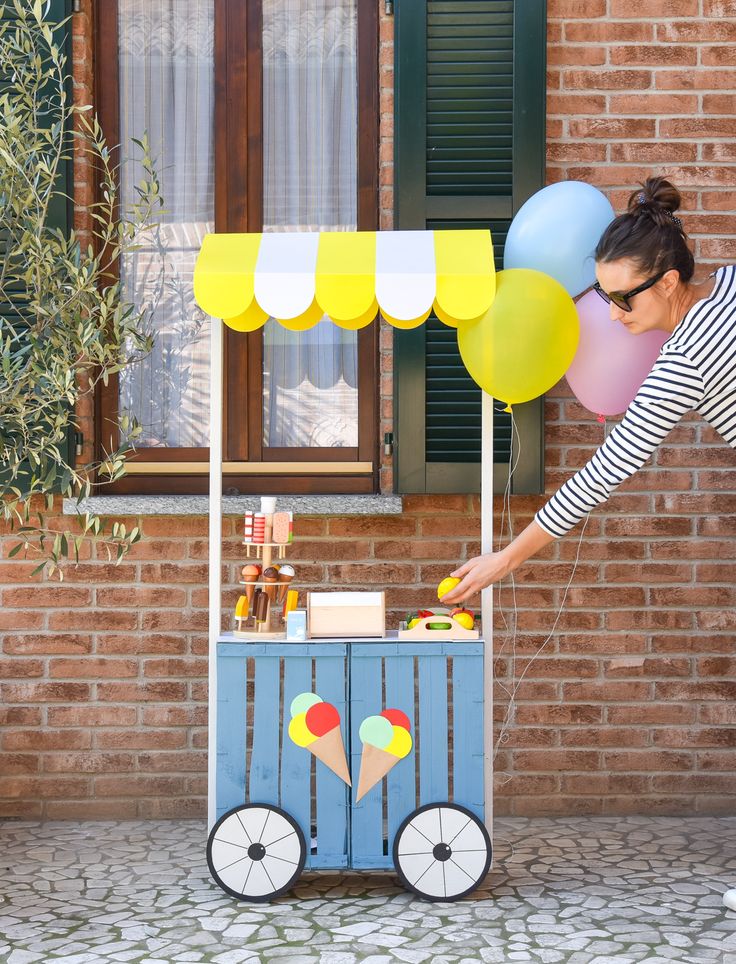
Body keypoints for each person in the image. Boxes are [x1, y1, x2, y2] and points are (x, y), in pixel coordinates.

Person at [440, 175, 736, 911]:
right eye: (602, 298)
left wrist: (504, 559)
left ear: (670, 283)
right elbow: (611, 464)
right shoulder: (706, 316)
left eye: (624, 299)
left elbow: (607, 469)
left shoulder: (693, 347)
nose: (612, 313)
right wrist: (508, 555)